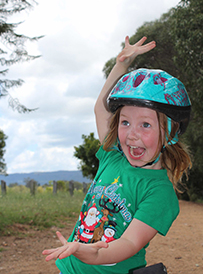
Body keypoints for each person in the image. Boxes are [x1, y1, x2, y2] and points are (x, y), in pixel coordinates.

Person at [42, 36, 192, 274]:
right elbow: (100, 109)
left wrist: (94, 253)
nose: (132, 135)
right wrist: (122, 64)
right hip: (70, 269)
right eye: (125, 122)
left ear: (171, 133)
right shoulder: (113, 157)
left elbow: (130, 243)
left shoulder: (160, 193)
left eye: (145, 125)